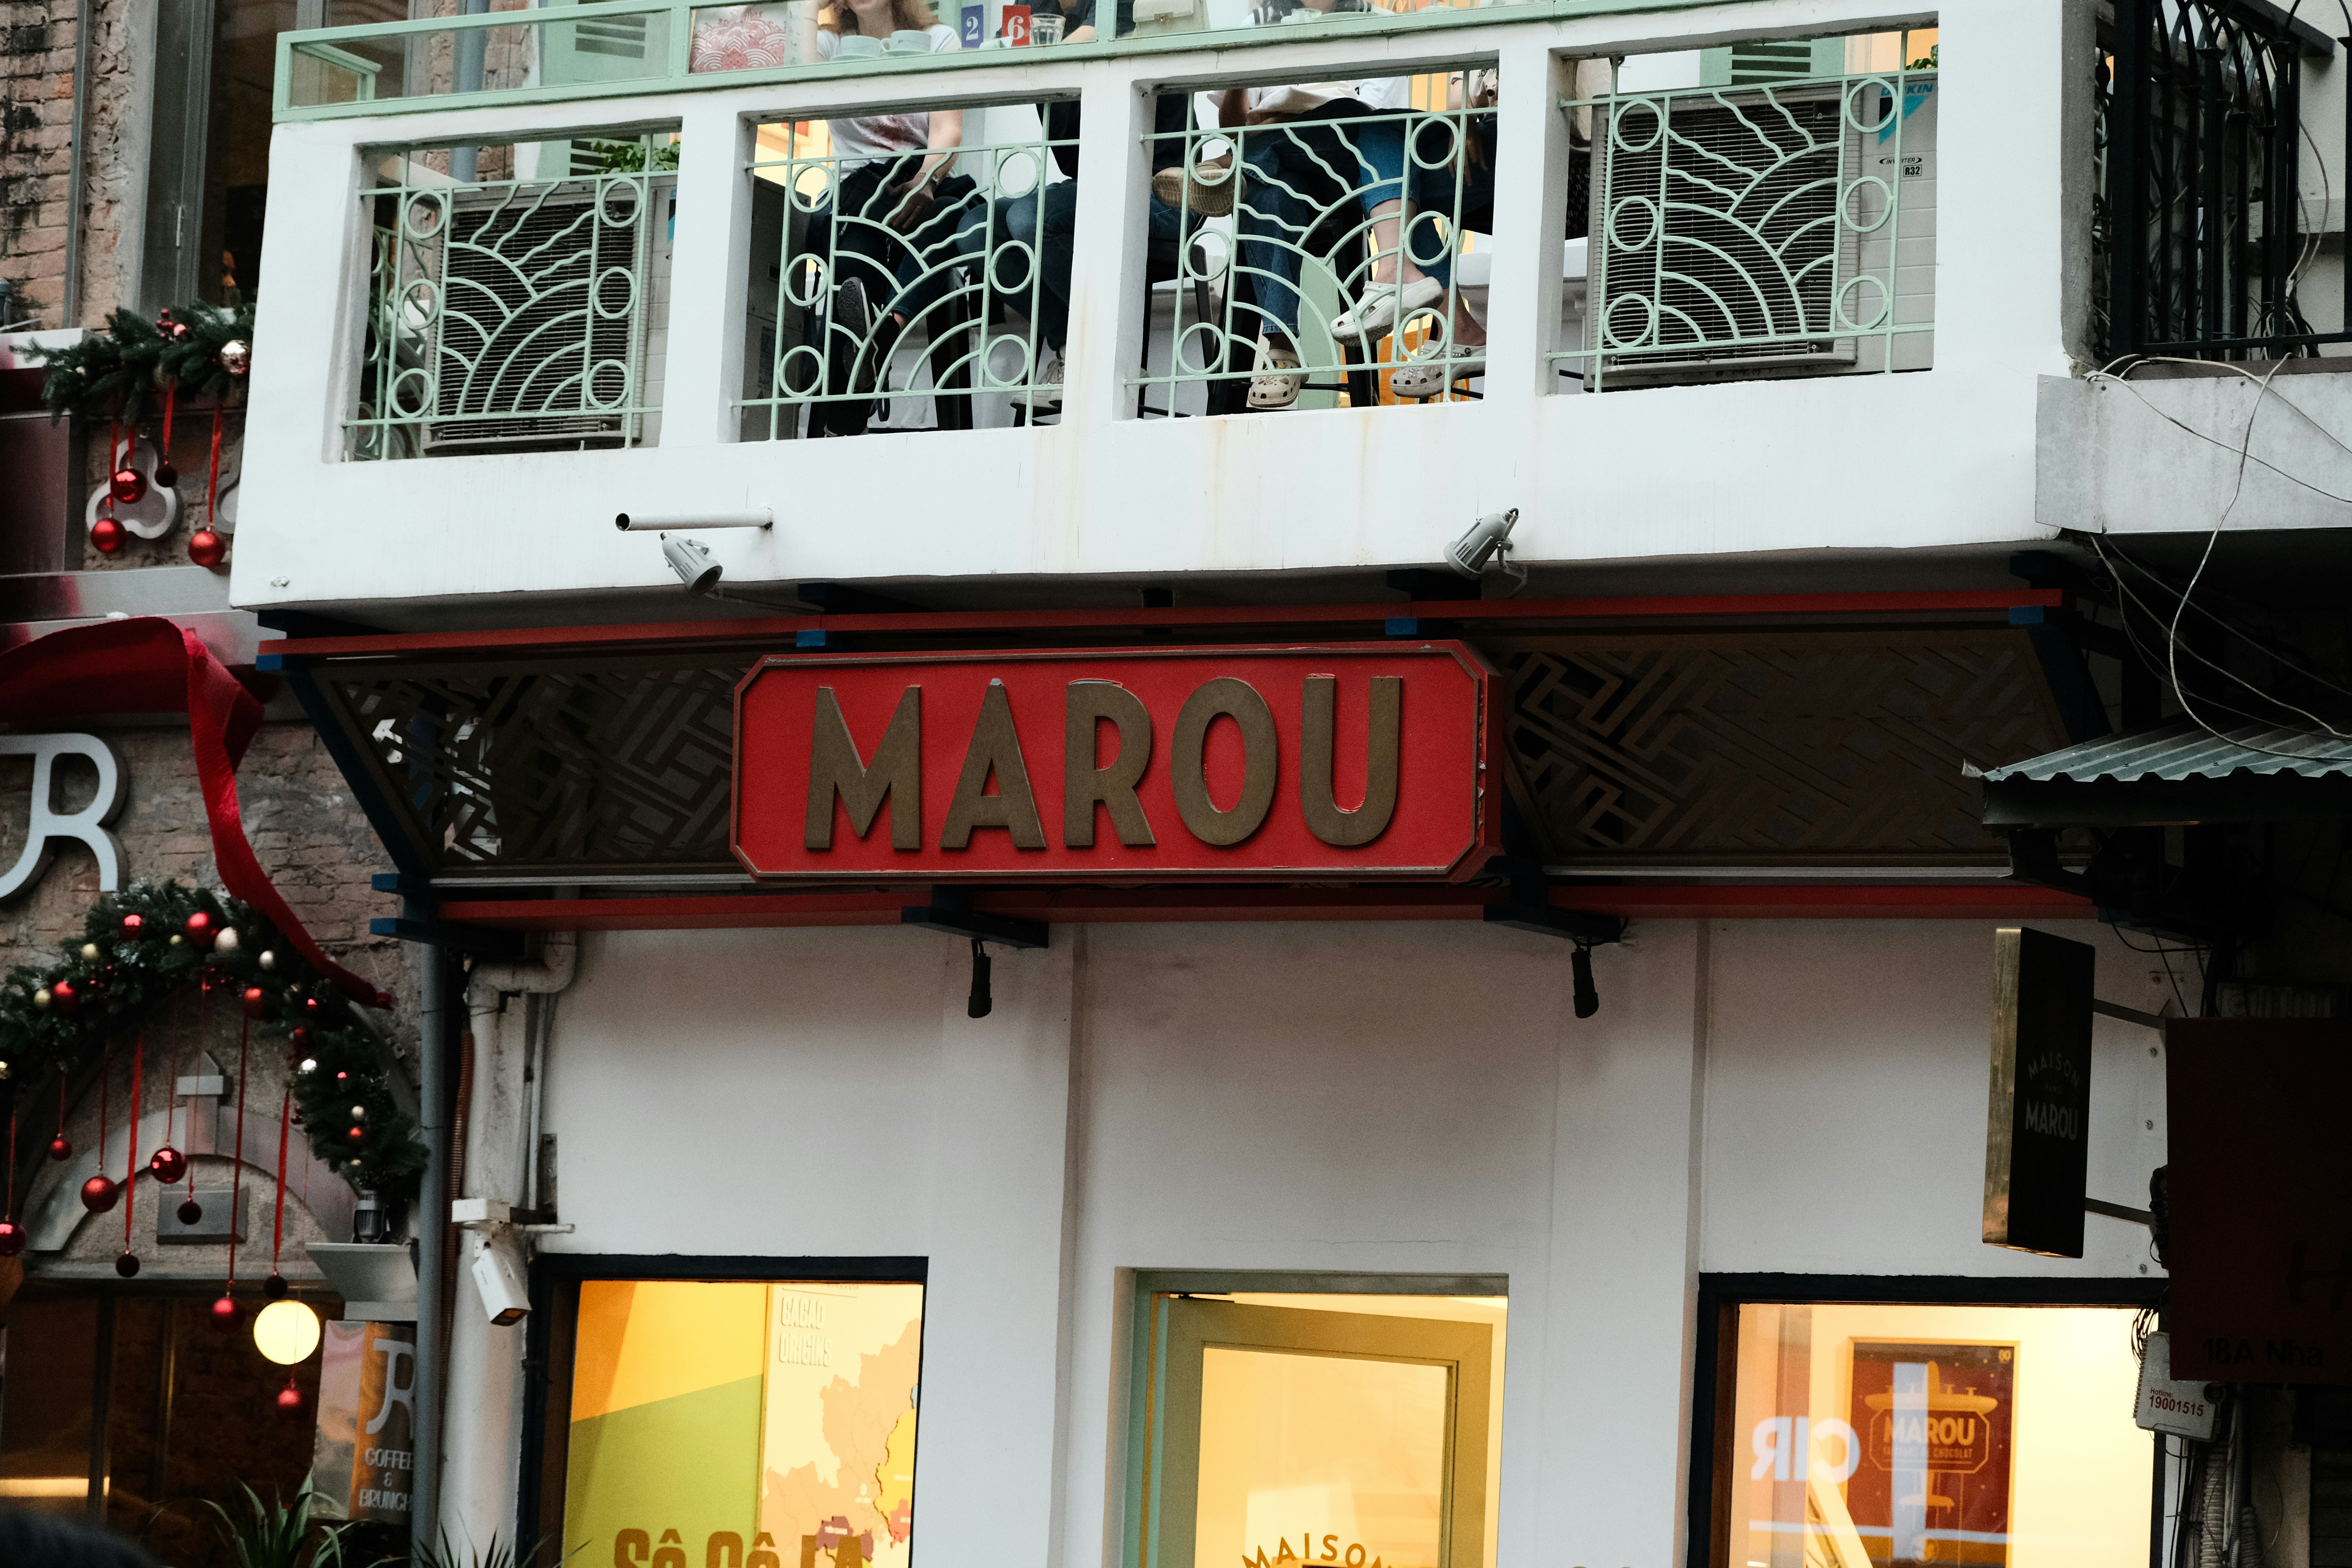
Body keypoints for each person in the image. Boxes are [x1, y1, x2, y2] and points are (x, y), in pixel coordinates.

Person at [1220, 24, 1489, 408]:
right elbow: (1233, 127)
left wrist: (1267, 129)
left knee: (1344, 142)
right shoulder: (1260, 22)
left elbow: (1372, 122)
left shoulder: (1366, 21)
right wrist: (1240, 82)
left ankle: (1231, 166)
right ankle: (1281, 344)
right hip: (1291, 178)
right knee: (1269, 192)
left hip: (1351, 175)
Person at [805, 0, 975, 432]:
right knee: (853, 271)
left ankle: (883, 333)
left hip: (921, 180)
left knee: (946, 225)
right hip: (858, 191)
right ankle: (856, 387)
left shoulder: (939, 40)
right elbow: (797, 84)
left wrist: (926, 181)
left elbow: (948, 129)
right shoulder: (826, 44)